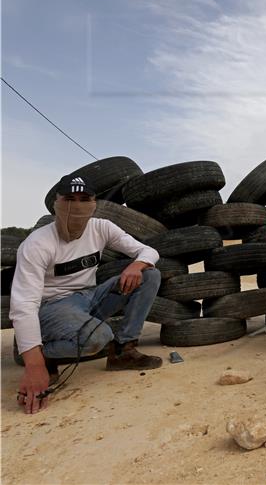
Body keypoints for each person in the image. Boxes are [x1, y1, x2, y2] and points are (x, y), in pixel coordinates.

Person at [11, 175, 163, 414]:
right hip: (52, 307)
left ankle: (123, 351)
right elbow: (23, 306)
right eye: (69, 198)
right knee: (98, 338)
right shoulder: (37, 244)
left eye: (84, 199)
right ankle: (44, 355)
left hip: (90, 297)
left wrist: (137, 264)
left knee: (150, 275)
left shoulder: (101, 228)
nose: (77, 205)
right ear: (56, 203)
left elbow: (148, 251)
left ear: (94, 203)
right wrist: (34, 365)